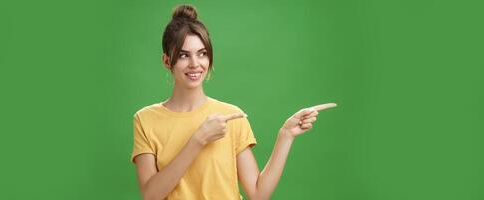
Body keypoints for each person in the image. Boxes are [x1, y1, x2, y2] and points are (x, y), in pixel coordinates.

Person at [131, 4, 337, 200]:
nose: (195, 64)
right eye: (184, 55)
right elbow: (151, 195)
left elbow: (258, 194)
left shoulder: (231, 116)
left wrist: (286, 135)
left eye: (202, 54)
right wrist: (198, 140)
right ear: (167, 61)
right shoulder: (146, 119)